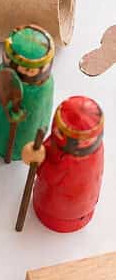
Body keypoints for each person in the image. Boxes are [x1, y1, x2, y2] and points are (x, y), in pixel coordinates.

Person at [22, 96, 104, 233]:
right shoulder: (97, 150)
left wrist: (38, 160)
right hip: (81, 205)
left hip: (57, 207)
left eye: (60, 132)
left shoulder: (69, 160)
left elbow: (50, 175)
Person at [0, 25, 54, 162]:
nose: (28, 72)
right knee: (0, 133)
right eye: (25, 68)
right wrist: (6, 108)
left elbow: (43, 113)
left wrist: (36, 123)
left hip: (27, 136)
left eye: (31, 70)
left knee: (26, 136)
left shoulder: (45, 87)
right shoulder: (3, 75)